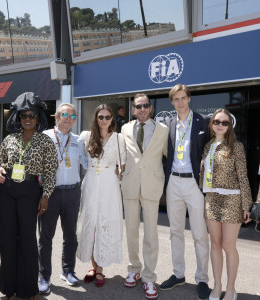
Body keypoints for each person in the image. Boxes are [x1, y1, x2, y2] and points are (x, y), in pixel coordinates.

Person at [0, 92, 58, 300]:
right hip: (7, 192)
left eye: (31, 115)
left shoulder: (45, 141)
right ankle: (9, 288)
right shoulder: (9, 139)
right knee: (8, 239)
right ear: (18, 118)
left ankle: (29, 289)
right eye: (24, 116)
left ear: (38, 117)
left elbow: (50, 171)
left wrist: (46, 195)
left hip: (31, 192)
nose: (28, 119)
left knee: (28, 241)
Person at [160, 84, 210, 300]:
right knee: (175, 232)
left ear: (189, 99)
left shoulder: (203, 121)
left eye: (183, 98)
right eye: (176, 99)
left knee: (200, 234)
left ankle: (202, 279)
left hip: (194, 185)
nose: (180, 102)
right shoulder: (169, 124)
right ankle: (178, 273)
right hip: (174, 183)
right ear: (172, 102)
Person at [199, 108, 252, 300]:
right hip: (211, 199)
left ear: (230, 126)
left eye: (224, 122)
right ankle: (217, 285)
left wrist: (247, 205)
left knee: (229, 246)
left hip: (232, 199)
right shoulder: (207, 147)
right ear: (211, 124)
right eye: (216, 122)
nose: (220, 125)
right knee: (215, 244)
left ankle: (230, 288)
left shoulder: (236, 147)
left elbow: (243, 176)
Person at [121, 94, 168, 299]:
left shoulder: (163, 130)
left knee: (151, 233)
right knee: (131, 231)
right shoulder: (124, 129)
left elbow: (171, 156)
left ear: (151, 108)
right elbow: (122, 155)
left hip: (152, 185)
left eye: (145, 106)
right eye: (138, 106)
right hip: (130, 185)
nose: (142, 109)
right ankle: (134, 269)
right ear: (133, 110)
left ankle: (149, 277)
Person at [38, 103, 87, 292]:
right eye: (64, 114)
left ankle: (68, 271)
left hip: (72, 192)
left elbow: (86, 161)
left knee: (70, 235)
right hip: (49, 194)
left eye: (72, 116)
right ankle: (44, 277)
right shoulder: (44, 137)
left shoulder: (78, 140)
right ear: (56, 117)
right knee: (45, 237)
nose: (68, 118)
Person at [77, 104, 126, 287]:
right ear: (96, 119)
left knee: (104, 223)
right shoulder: (86, 136)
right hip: (90, 182)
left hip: (109, 184)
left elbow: (124, 163)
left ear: (112, 119)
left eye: (107, 117)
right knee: (91, 224)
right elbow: (81, 158)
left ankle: (100, 270)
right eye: (100, 117)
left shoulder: (119, 139)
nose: (104, 120)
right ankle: (92, 266)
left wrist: (118, 171)